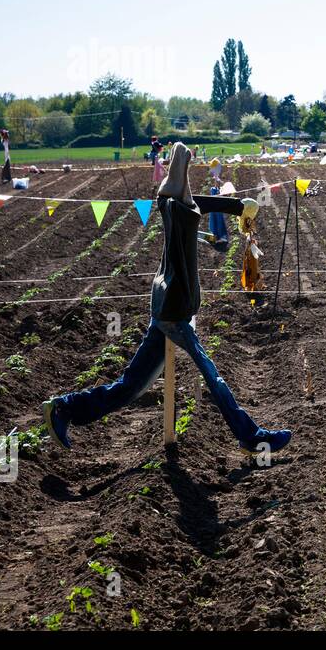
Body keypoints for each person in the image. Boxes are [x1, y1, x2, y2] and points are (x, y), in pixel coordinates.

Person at [42, 143, 291, 454]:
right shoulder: (184, 214)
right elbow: (192, 199)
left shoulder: (171, 207)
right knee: (213, 377)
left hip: (164, 307)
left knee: (130, 387)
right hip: (174, 310)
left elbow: (193, 199)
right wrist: (234, 205)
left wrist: (237, 207)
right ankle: (252, 437)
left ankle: (65, 407)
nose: (188, 191)